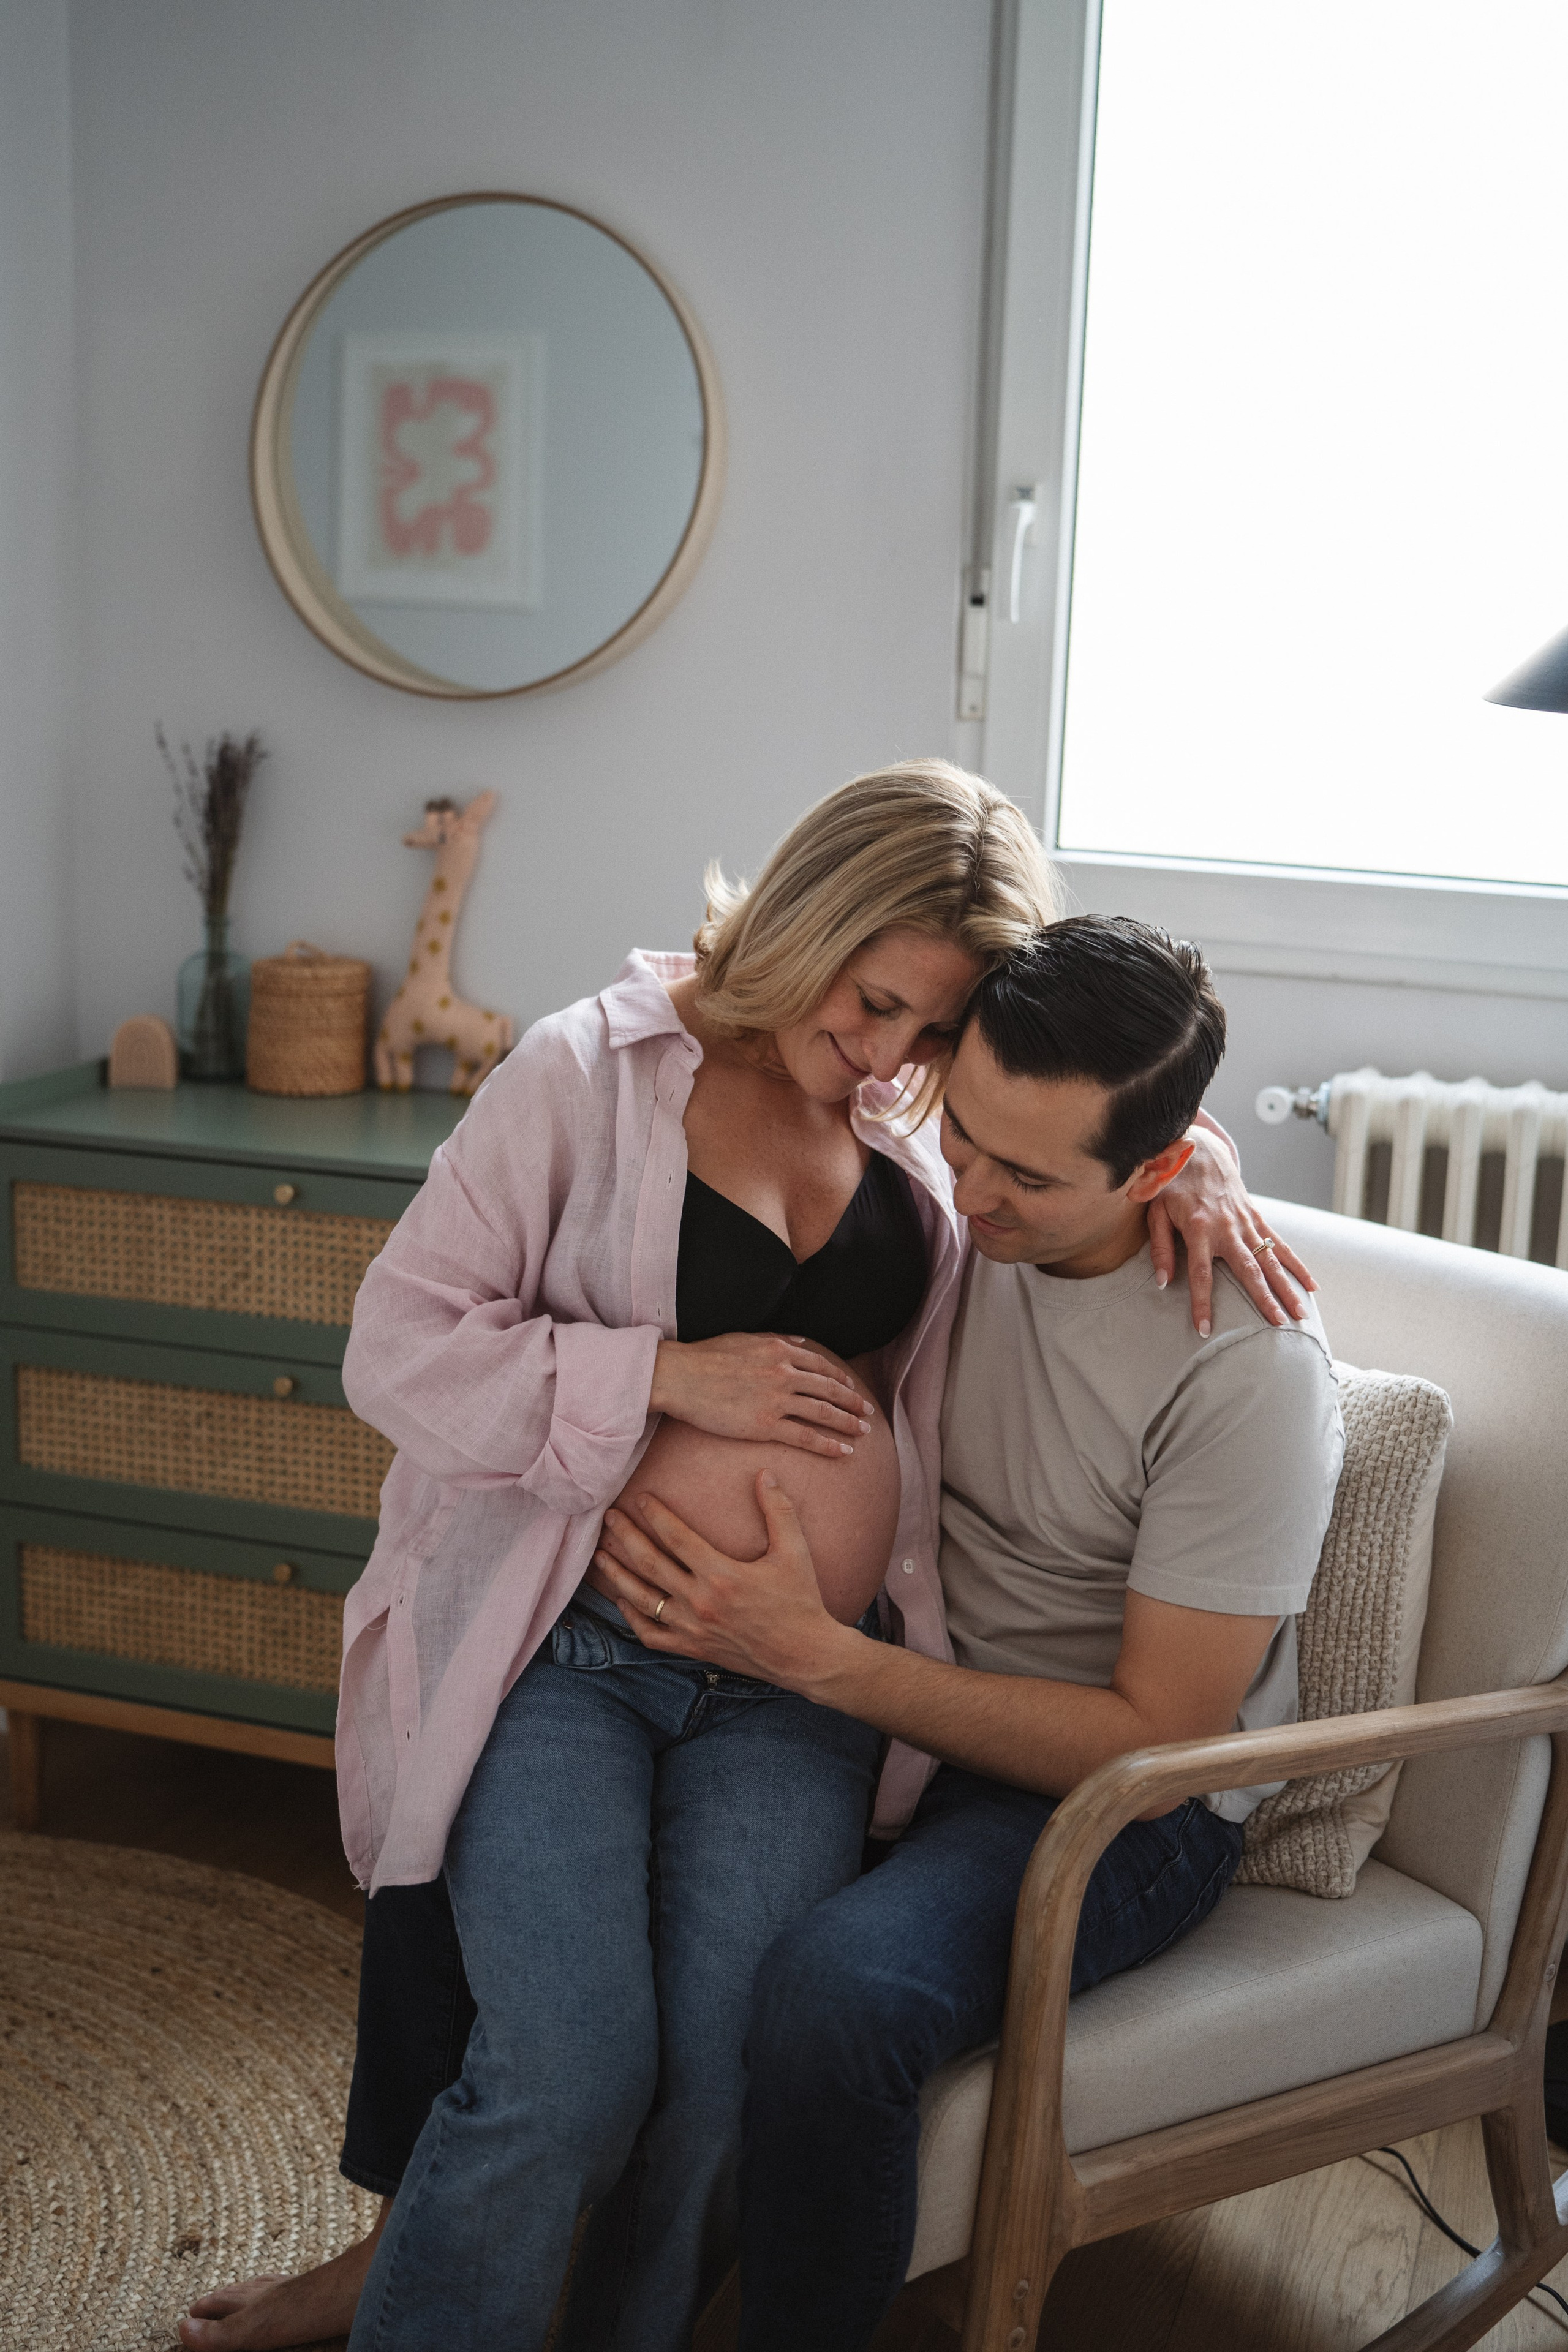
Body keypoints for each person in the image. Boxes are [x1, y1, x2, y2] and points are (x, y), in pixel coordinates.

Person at [178, 781, 1310, 2352]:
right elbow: (394, 1352)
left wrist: (1208, 1170)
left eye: (928, 1040)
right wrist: (659, 1372)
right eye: (874, 1007)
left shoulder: (922, 1129)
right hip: (577, 1651)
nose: (889, 1063)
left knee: (723, 2088)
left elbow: (1084, 1126)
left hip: (800, 1695)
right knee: (570, 2070)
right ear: (810, 913)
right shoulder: (584, 1074)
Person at [592, 915, 1344, 2351]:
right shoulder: (943, 1207)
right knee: (530, 1803)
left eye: (1028, 1175)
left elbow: (1159, 1736)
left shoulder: (1245, 1368)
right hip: (887, 1690)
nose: (969, 1190)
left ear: (1160, 1169)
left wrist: (812, 1657)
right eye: (964, 1132)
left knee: (832, 1995)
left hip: (1106, 1795)